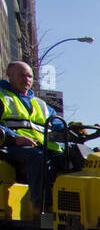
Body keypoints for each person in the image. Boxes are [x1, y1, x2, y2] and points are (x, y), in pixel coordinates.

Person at [0, 61, 64, 204]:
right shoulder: (2, 97)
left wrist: (70, 130)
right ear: (9, 75)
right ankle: (42, 206)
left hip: (42, 147)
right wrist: (15, 138)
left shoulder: (40, 104)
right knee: (37, 157)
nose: (27, 79)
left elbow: (57, 123)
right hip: (10, 147)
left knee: (72, 158)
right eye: (22, 75)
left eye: (29, 76)